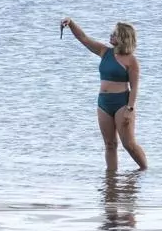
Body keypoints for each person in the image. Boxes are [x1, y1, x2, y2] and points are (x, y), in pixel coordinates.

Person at [61, 17, 148, 173]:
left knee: (128, 144)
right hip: (103, 103)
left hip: (122, 103)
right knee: (110, 144)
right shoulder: (104, 51)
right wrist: (71, 23)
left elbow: (134, 88)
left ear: (122, 38)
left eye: (114, 34)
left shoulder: (131, 61)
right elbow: (84, 39)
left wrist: (130, 108)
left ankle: (144, 171)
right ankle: (111, 178)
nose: (110, 36)